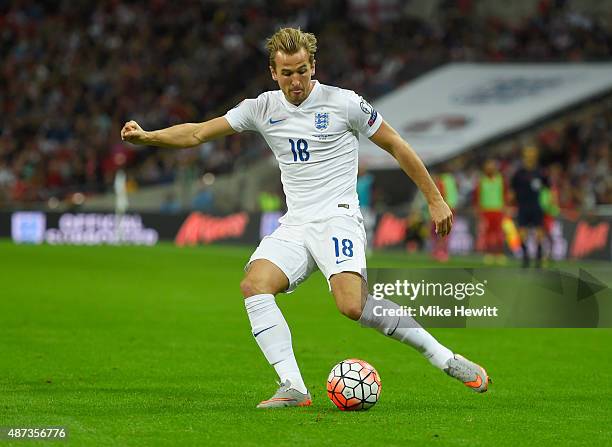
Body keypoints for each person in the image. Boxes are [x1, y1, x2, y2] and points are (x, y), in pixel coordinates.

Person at [121, 28, 490, 408]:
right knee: (254, 285)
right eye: (287, 73)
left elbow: (396, 143)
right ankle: (293, 387)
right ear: (273, 72)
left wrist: (435, 199)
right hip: (296, 224)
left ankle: (445, 358)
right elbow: (198, 133)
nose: (296, 81)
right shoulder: (261, 108)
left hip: (337, 219)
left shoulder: (345, 103)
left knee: (352, 306)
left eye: (302, 71)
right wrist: (149, 137)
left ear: (313, 66)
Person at [510, 146, 549, 268]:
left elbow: (547, 189)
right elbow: (512, 191)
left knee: (539, 232)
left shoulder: (540, 172)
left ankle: (538, 254)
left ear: (536, 155)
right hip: (522, 206)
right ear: (524, 155)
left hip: (536, 206)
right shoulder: (518, 173)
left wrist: (548, 204)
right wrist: (510, 202)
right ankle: (526, 255)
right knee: (522, 232)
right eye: (528, 153)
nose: (530, 155)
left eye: (532, 153)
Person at [474, 159, 507, 264]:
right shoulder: (481, 181)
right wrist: (478, 209)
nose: (490, 169)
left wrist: (505, 207)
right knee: (487, 234)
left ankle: (499, 254)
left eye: (492, 167)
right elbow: (477, 197)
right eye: (488, 167)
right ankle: (489, 254)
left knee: (499, 233)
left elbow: (505, 194)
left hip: (498, 210)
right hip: (486, 210)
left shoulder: (500, 180)